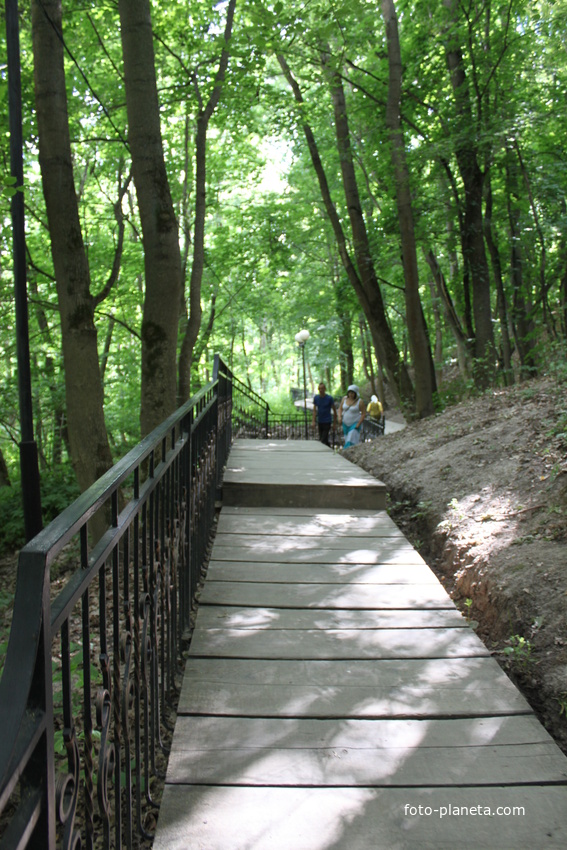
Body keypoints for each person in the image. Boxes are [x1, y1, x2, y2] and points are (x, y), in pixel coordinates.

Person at [312, 382, 336, 446]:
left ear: (325, 389)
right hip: (320, 421)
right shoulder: (316, 398)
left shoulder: (329, 398)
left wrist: (334, 424)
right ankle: (329, 447)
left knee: (322, 439)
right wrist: (313, 421)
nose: (321, 390)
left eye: (322, 388)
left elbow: (334, 410)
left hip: (327, 421)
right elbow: (314, 410)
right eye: (319, 389)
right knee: (323, 438)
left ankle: (321, 451)